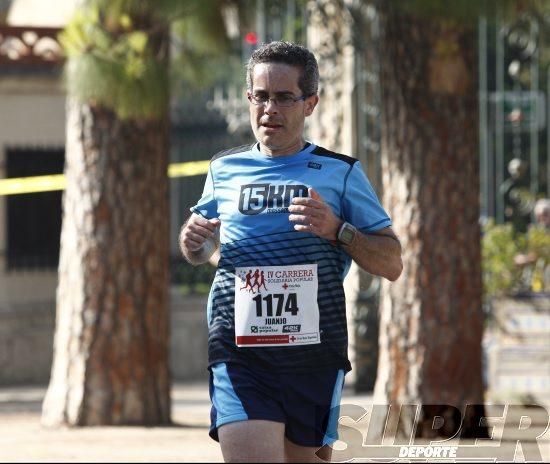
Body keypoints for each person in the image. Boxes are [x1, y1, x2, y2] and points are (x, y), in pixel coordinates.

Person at [179, 41, 403, 463]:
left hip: (313, 352)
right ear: (249, 99)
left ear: (310, 103)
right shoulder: (223, 169)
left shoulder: (341, 171)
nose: (270, 109)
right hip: (237, 347)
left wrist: (339, 230)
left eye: (284, 97)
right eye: (260, 97)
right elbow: (212, 251)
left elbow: (392, 262)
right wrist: (195, 243)